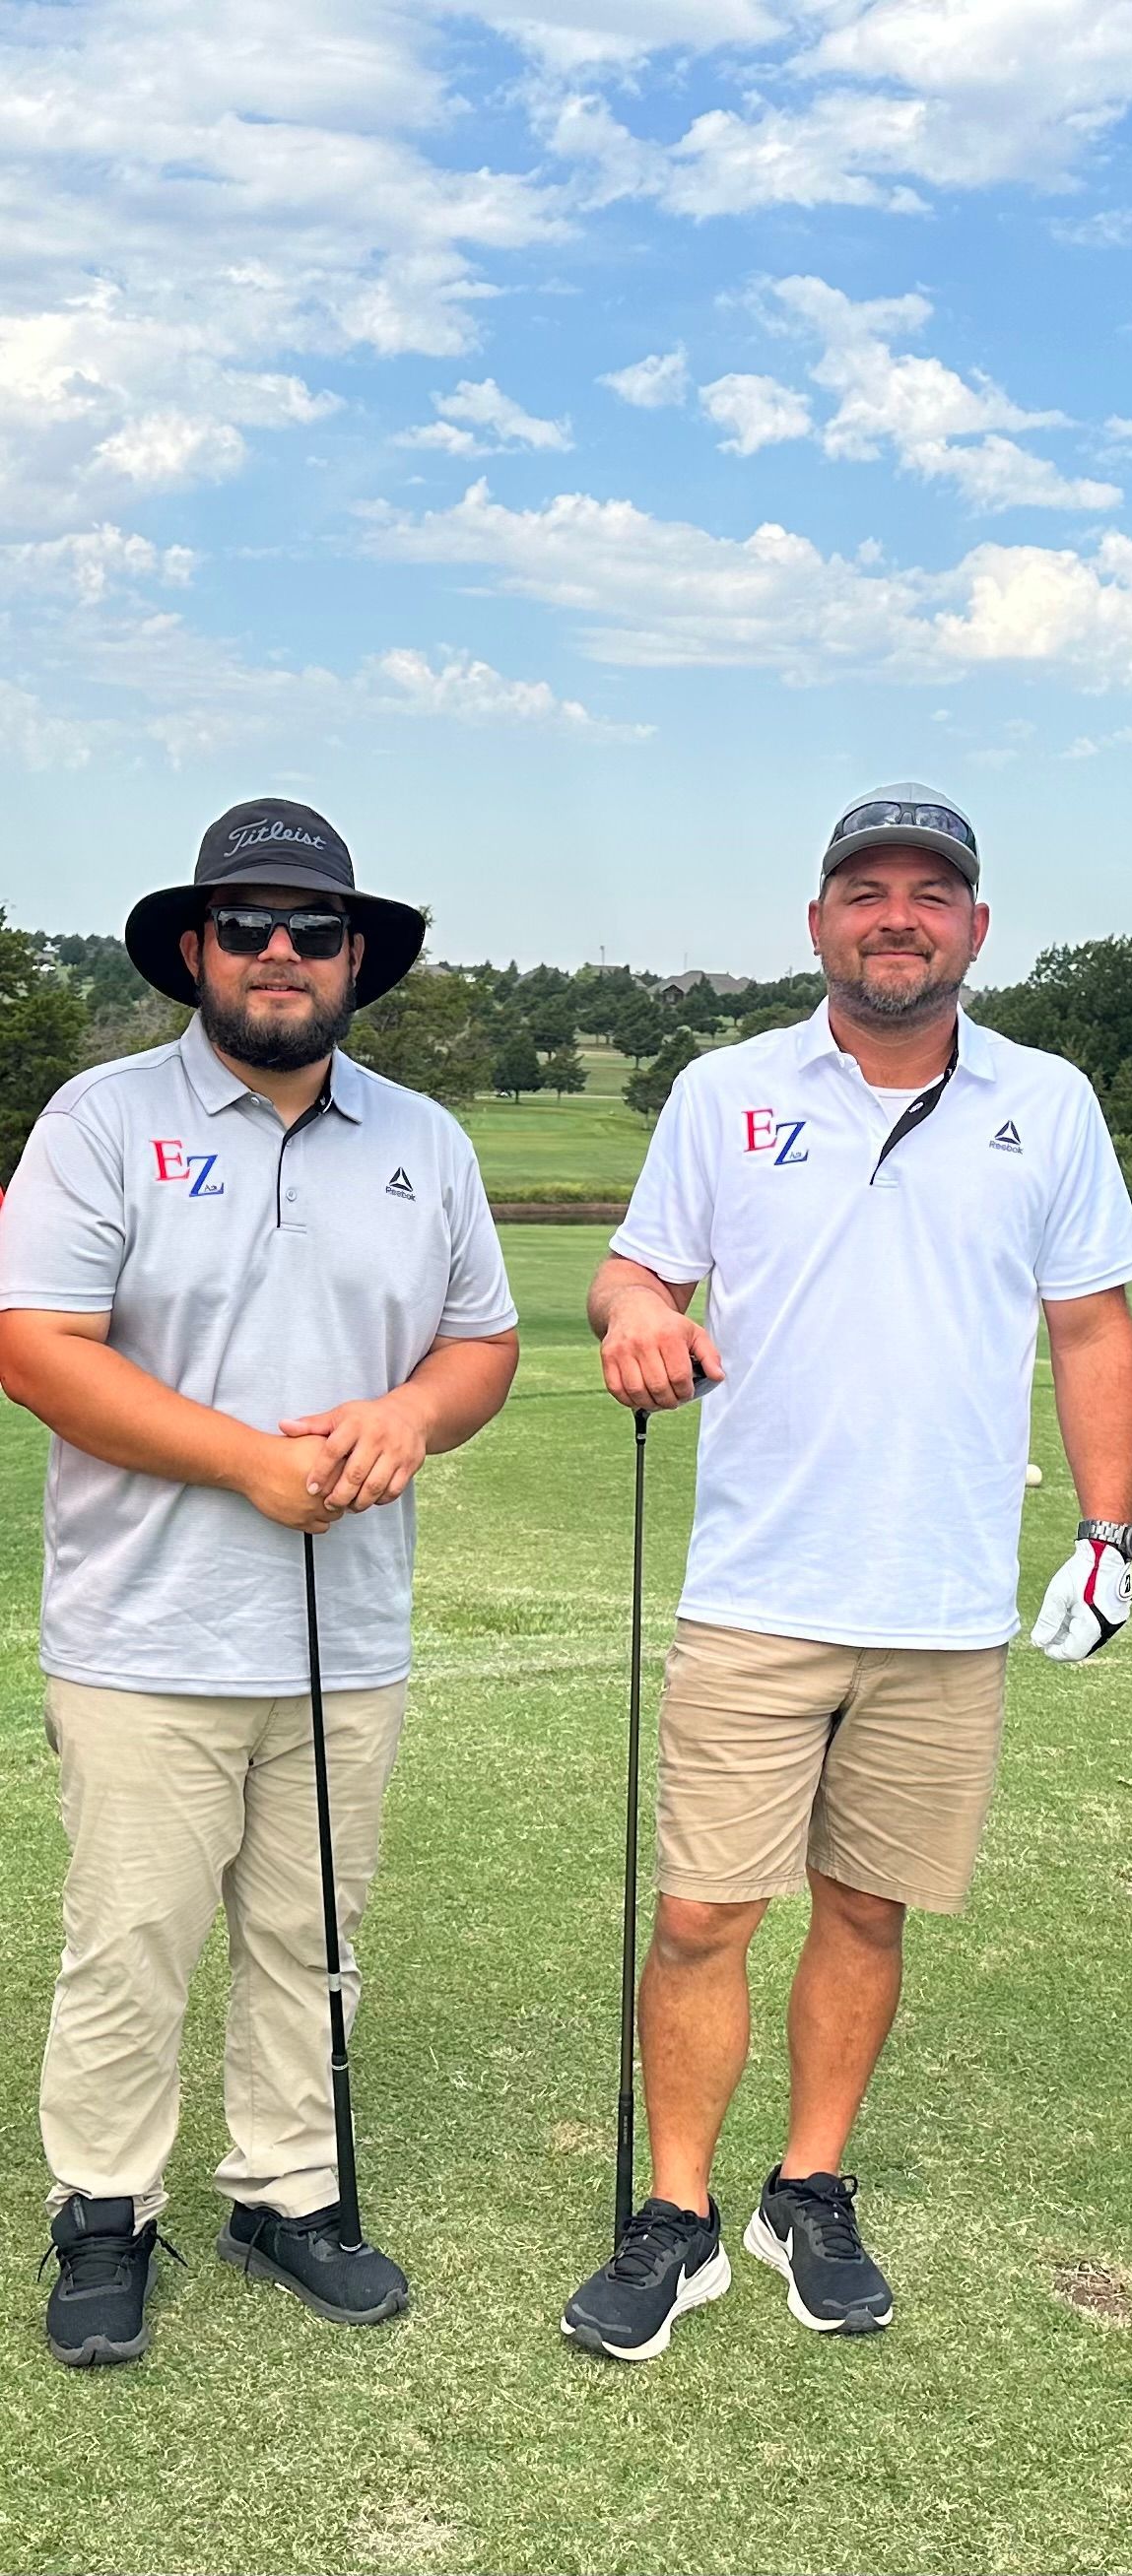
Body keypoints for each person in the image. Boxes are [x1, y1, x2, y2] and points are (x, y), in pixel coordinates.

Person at [563, 782, 1132, 2363]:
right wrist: (632, 1311)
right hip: (758, 1588)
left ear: (974, 927)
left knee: (869, 1913)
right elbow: (639, 1265)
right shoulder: (724, 1088)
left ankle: (804, 2186)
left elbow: (1090, 1323)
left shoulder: (1052, 1101)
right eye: (867, 889)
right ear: (817, 920)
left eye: (930, 893)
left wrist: (1112, 1531)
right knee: (700, 1915)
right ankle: (675, 2217)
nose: (899, 915)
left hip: (940, 1604)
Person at [0, 798, 518, 2367]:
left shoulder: (426, 1141)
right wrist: (244, 1460)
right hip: (145, 1631)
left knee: (310, 1936)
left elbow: (480, 1344)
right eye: (248, 926)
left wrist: (408, 1415)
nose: (279, 954)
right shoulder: (99, 1121)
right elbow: (35, 1347)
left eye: (313, 929)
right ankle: (105, 2212)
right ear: (196, 951)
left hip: (344, 1634)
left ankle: (287, 2193)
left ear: (358, 958)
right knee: (130, 1940)